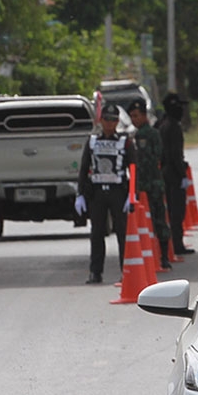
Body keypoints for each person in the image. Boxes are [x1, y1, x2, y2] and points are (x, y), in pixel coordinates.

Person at [75, 103, 136, 284]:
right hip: (97, 193)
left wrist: (133, 194)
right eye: (106, 119)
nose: (110, 123)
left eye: (113, 120)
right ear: (100, 120)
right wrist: (80, 194)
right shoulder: (92, 141)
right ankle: (95, 272)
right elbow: (84, 168)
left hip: (119, 192)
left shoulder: (125, 142)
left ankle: (126, 271)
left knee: (122, 234)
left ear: (118, 122)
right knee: (97, 233)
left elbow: (133, 169)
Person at [128, 98, 171, 270]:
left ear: (144, 116)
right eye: (131, 116)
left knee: (158, 220)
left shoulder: (149, 134)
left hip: (151, 184)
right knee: (148, 222)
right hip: (143, 185)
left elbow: (154, 158)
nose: (133, 119)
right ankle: (155, 256)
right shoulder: (138, 135)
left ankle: (164, 257)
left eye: (136, 116)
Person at [155, 92, 194, 257]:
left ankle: (170, 243)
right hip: (173, 174)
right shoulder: (173, 127)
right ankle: (177, 244)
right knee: (176, 210)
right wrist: (182, 174)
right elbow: (175, 154)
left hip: (164, 172)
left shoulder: (161, 124)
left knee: (169, 210)